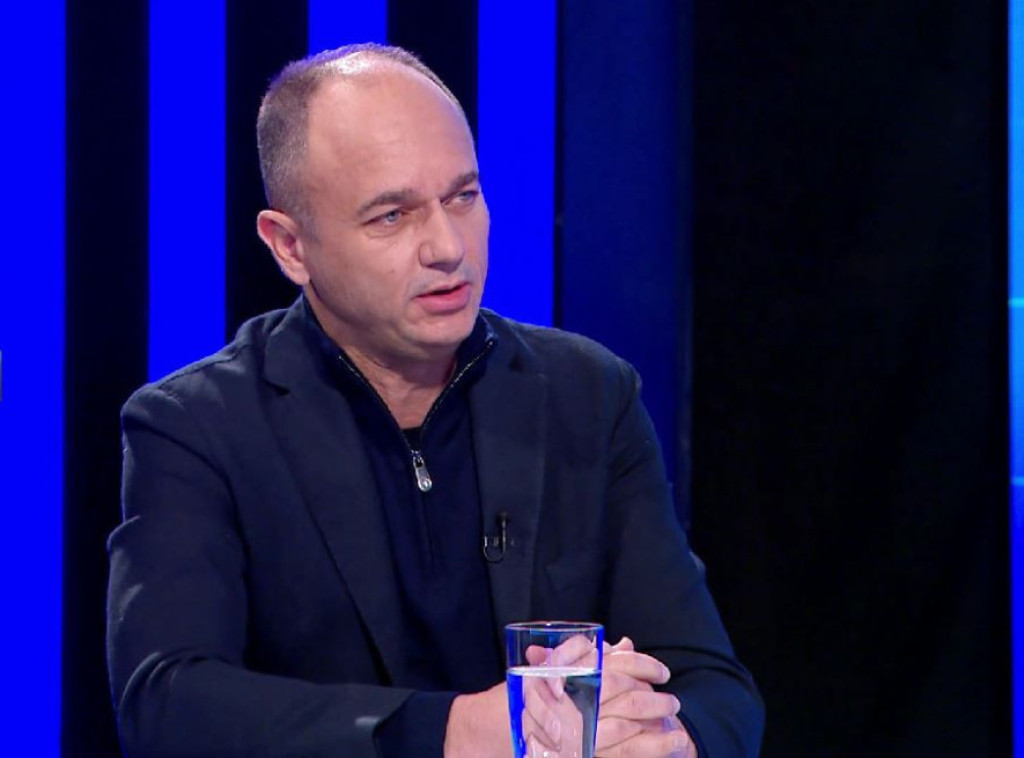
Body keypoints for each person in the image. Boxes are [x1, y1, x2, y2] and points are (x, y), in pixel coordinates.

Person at [106, 43, 764, 758]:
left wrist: (663, 738)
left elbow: (716, 690)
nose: (448, 246)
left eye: (463, 197)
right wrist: (458, 731)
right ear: (290, 246)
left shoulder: (589, 395)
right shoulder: (197, 427)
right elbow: (168, 704)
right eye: (392, 216)